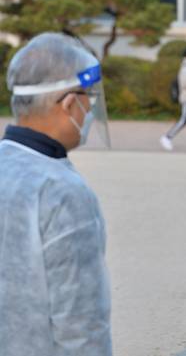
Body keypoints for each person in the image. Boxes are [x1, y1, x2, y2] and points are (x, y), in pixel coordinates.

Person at [0, 33, 112, 355]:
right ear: (68, 104)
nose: (89, 110)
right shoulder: (63, 192)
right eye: (87, 100)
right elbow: (81, 323)